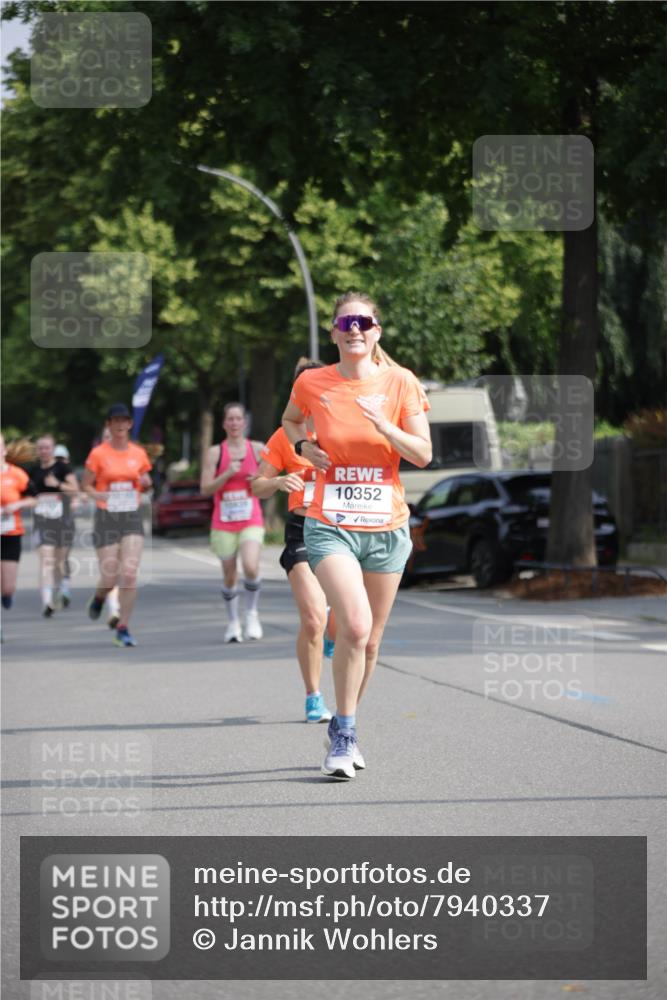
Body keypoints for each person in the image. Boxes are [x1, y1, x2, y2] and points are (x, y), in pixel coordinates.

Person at [282, 292, 431, 779]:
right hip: (330, 523)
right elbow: (289, 421)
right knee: (355, 625)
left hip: (386, 528)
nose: (355, 329)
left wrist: (385, 425)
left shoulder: (400, 382)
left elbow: (423, 454)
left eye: (364, 322)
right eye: (346, 321)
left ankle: (344, 722)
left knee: (369, 643)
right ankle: (344, 738)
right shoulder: (312, 382)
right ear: (333, 332)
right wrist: (305, 444)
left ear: (377, 331)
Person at [251, 359, 333, 723]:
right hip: (302, 530)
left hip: (344, 531)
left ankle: (335, 633)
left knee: (344, 620)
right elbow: (256, 485)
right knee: (313, 619)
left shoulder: (341, 429)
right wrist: (279, 482)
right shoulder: (283, 437)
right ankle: (313, 695)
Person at [81, 404, 152, 647]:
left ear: (130, 424)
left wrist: (147, 482)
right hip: (106, 517)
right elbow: (87, 485)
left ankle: (123, 627)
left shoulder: (138, 453)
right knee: (109, 576)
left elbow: (146, 484)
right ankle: (100, 597)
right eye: (115, 421)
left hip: (131, 515)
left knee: (129, 573)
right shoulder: (98, 454)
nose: (120, 425)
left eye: (124, 421)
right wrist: (97, 495)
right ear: (109, 425)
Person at [201, 403, 265, 643]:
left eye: (239, 419)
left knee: (250, 566)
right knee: (230, 576)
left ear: (244, 423)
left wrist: (258, 479)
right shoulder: (215, 453)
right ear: (224, 424)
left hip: (251, 518)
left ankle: (251, 614)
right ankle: (233, 622)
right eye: (230, 419)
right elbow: (205, 488)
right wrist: (227, 473)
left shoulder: (258, 449)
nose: (235, 423)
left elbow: (271, 479)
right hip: (223, 522)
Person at [30, 434, 78, 616]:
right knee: (46, 561)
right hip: (42, 522)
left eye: (47, 447)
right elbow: (25, 492)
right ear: (37, 450)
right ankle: (47, 602)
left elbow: (75, 489)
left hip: (62, 521)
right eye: (40, 448)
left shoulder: (62, 468)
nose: (44, 451)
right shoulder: (33, 471)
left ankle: (64, 586)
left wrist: (57, 484)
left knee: (60, 560)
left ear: (53, 449)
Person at [0, 434, 36, 625]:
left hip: (11, 534)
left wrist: (16, 505)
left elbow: (33, 497)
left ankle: (6, 596)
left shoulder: (17, 474)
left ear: (4, 450)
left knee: (7, 588)